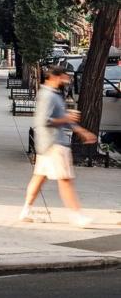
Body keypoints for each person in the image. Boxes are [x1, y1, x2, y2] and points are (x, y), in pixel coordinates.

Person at [19, 64, 97, 227]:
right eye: (63, 76)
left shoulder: (52, 94)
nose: (66, 80)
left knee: (39, 177)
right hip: (54, 144)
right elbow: (44, 121)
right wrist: (67, 119)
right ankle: (76, 215)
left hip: (47, 143)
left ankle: (26, 210)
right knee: (65, 179)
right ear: (54, 77)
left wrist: (82, 131)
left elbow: (62, 119)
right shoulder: (48, 95)